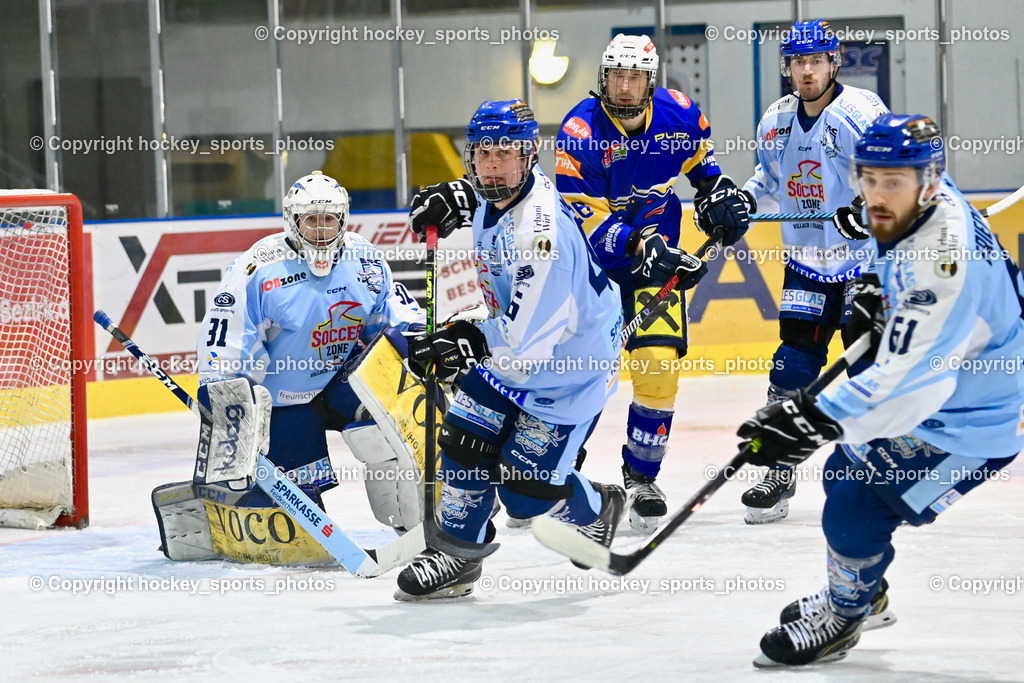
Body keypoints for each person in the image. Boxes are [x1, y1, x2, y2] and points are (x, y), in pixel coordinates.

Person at [737, 113, 1024, 667]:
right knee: (843, 471)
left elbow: (903, 390)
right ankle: (864, 593)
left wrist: (811, 419)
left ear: (929, 179)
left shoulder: (942, 267)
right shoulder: (926, 200)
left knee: (855, 507)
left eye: (892, 182)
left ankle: (843, 619)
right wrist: (871, 281)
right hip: (951, 385)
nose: (876, 194)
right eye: (868, 178)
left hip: (974, 420)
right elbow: (886, 242)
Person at [394, 98, 699, 601]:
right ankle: (457, 554)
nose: (493, 165)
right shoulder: (505, 193)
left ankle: (595, 510)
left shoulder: (542, 238)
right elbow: (490, 201)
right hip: (514, 347)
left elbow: (525, 349)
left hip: (569, 369)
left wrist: (462, 339)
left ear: (528, 154)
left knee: (524, 493)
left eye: (506, 154)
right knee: (463, 439)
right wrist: (458, 195)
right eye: (483, 154)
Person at [152, 171, 427, 565]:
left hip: (339, 380)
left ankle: (413, 525)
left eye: (329, 218)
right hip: (282, 398)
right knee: (295, 516)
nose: (320, 228)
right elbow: (226, 336)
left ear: (343, 219)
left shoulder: (365, 258)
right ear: (292, 220)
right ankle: (236, 509)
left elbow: (394, 316)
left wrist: (418, 337)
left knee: (383, 431)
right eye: (310, 219)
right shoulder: (259, 268)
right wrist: (224, 390)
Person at [555, 34, 750, 532]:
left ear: (650, 79)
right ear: (603, 78)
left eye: (634, 76)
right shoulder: (580, 131)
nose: (624, 86)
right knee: (581, 373)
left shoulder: (679, 114)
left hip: (653, 266)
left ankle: (641, 477)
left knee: (658, 367)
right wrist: (643, 243)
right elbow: (587, 223)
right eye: (616, 76)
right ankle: (556, 474)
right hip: (593, 269)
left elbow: (701, 165)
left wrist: (717, 193)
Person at [739, 19, 890, 524]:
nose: (808, 71)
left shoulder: (860, 112)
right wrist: (743, 197)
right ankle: (779, 471)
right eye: (799, 62)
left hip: (861, 264)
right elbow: (767, 176)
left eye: (817, 61)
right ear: (788, 68)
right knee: (791, 365)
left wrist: (866, 208)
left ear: (835, 61)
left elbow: (891, 175)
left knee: (866, 364)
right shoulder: (776, 119)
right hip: (806, 261)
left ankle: (873, 465)